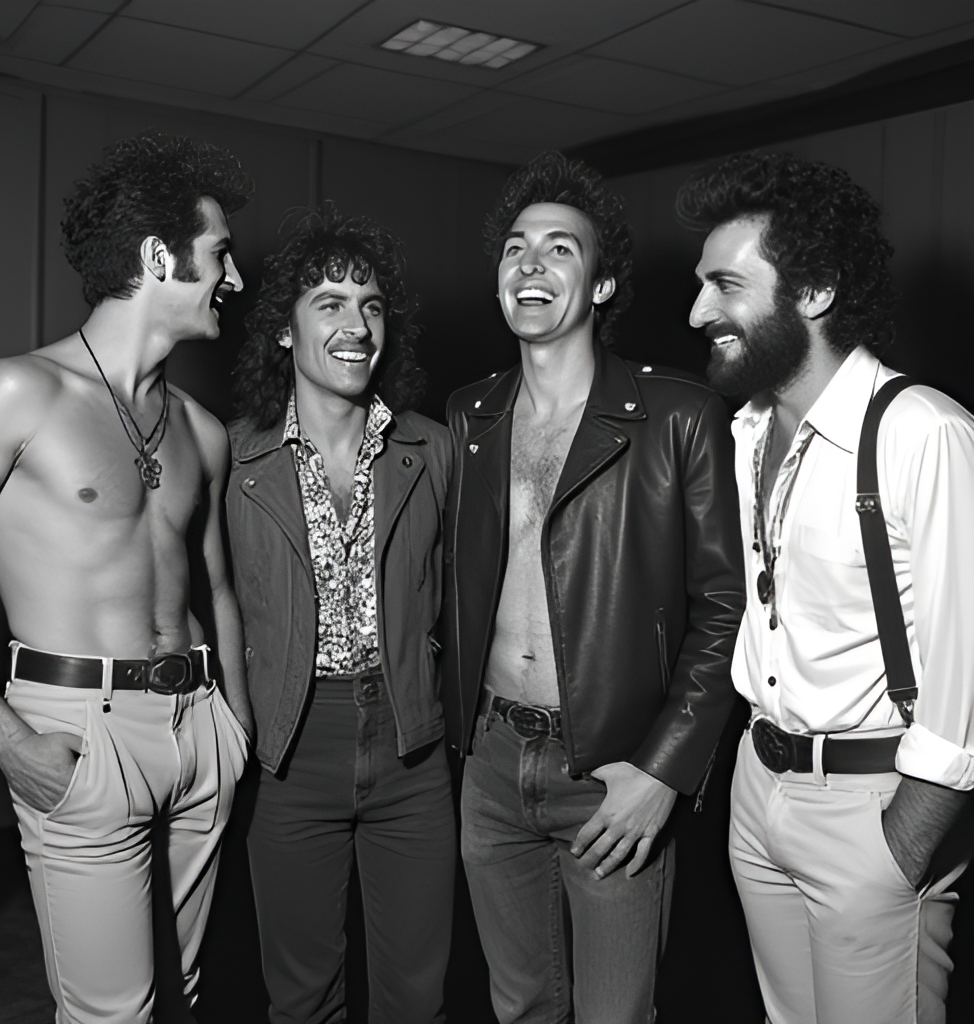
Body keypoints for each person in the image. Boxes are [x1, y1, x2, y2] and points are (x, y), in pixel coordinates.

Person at [0, 130, 254, 1024]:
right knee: (113, 1015)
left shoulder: (202, 429)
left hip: (199, 732)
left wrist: (232, 732)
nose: (234, 281)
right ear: (160, 257)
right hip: (82, 736)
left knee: (185, 996)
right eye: (219, 256)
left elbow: (218, 593)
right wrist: (9, 745)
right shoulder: (18, 393)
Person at [441, 151, 744, 1023]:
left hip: (614, 763)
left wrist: (663, 771)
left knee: (616, 1013)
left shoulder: (679, 416)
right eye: (515, 248)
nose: (530, 263)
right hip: (494, 762)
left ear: (604, 285)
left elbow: (727, 610)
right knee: (521, 1006)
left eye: (560, 249)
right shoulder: (471, 414)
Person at [679, 150, 974, 1024]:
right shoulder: (745, 430)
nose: (698, 311)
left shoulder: (926, 433)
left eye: (726, 285)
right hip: (759, 789)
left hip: (876, 807)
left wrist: (902, 842)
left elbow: (965, 676)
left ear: (812, 292)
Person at [226, 202, 456, 1024]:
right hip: (288, 747)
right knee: (301, 998)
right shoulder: (235, 457)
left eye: (371, 305)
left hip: (411, 746)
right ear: (285, 331)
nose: (356, 324)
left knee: (415, 998)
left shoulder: (434, 450)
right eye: (328, 303)